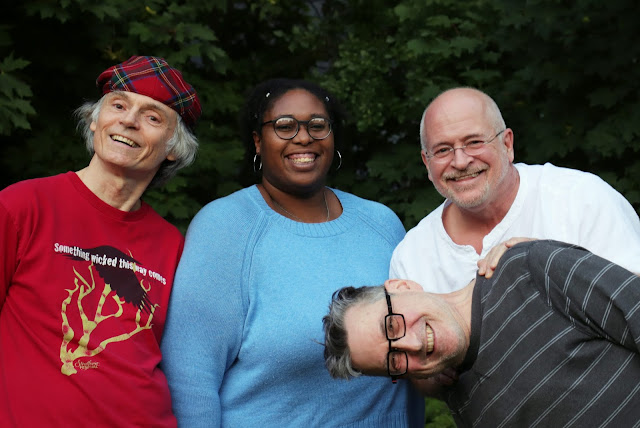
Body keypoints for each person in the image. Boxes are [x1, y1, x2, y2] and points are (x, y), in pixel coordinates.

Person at [160, 78, 424, 427]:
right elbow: (189, 378)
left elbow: (417, 345)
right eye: (284, 126)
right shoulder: (225, 228)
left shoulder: (381, 224)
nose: (303, 137)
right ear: (258, 140)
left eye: (318, 125)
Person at [0, 55, 200, 427]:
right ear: (95, 120)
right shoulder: (22, 206)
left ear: (173, 148)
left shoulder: (173, 246)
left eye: (153, 117)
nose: (129, 120)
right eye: (119, 105)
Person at [323, 239, 640, 426]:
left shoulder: (527, 269)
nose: (413, 344)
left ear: (402, 286)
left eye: (392, 325)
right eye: (394, 360)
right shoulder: (466, 404)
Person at [390, 87, 640, 293]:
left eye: (474, 142)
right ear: (426, 162)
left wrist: (552, 261)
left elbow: (633, 299)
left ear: (507, 144)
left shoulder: (581, 199)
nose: (460, 161)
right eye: (443, 149)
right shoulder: (413, 256)